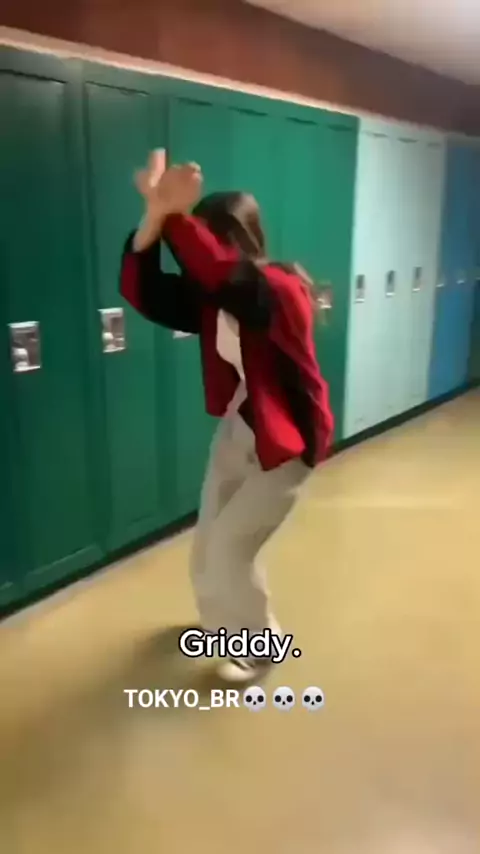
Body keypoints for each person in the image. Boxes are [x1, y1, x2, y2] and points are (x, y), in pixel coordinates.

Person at [120, 154, 334, 682]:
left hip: (285, 442)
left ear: (236, 242)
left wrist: (174, 216)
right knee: (207, 544)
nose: (198, 260)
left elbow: (223, 274)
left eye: (208, 242)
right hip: (242, 425)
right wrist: (155, 217)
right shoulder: (214, 298)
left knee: (232, 548)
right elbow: (144, 292)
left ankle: (261, 649)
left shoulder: (279, 290)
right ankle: (222, 628)